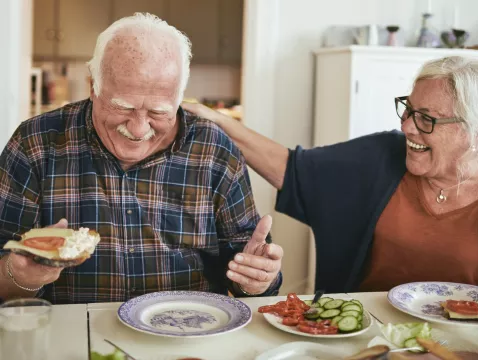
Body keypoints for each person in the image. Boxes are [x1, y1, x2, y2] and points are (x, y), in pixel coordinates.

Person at [0, 13, 283, 304]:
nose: (137, 129)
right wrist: (19, 275)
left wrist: (257, 280)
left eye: (158, 112)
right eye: (122, 107)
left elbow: (248, 272)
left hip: (189, 338)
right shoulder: (34, 143)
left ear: (179, 97)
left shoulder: (215, 150)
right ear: (93, 89)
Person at [183, 56, 478, 293]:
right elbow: (291, 169)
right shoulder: (383, 155)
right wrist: (214, 117)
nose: (407, 127)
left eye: (426, 118)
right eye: (408, 109)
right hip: (363, 338)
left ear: (474, 131)